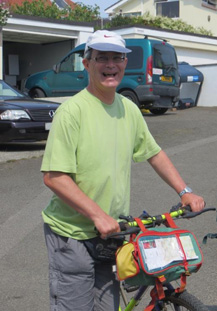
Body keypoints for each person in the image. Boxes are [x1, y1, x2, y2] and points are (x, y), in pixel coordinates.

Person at [41, 30, 205, 311]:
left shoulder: (128, 109)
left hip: (112, 234)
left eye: (117, 58)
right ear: (87, 63)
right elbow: (54, 177)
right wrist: (97, 214)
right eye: (101, 58)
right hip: (72, 236)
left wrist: (185, 190)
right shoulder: (72, 112)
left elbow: (154, 153)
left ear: (125, 64)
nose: (110, 65)